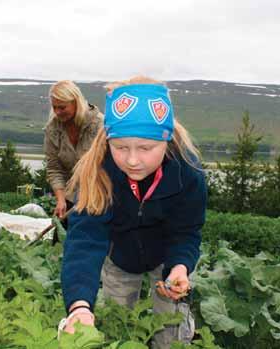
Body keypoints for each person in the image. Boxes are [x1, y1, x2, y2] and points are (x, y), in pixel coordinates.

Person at [59, 76, 207, 348]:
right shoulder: (98, 171)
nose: (132, 160)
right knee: (119, 328)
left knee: (171, 333)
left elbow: (186, 231)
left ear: (167, 139)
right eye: (121, 147)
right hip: (120, 258)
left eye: (146, 148)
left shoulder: (189, 173)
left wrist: (179, 267)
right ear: (108, 140)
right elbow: (85, 241)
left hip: (165, 258)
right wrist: (79, 306)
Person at [44, 80, 103, 219]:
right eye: (54, 107)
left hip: (99, 195)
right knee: (63, 237)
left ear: (76, 102)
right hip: (71, 196)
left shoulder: (100, 125)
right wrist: (60, 199)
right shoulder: (52, 129)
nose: (57, 112)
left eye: (62, 107)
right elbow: (54, 168)